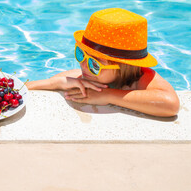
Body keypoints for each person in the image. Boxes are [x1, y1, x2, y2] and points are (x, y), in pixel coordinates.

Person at [26, 8, 179, 117]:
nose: (83, 65)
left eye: (95, 64)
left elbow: (171, 105)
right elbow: (22, 88)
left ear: (124, 66)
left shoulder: (143, 77)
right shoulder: (84, 77)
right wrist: (56, 83)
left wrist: (109, 96)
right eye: (81, 55)